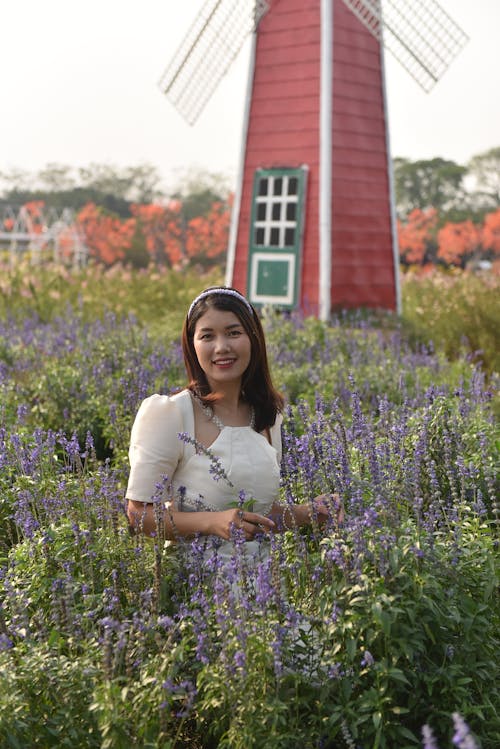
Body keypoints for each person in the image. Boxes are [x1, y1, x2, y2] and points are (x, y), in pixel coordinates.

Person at [126, 286, 339, 562]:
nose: (221, 347)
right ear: (192, 345)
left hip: (262, 591)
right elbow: (138, 515)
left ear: (253, 339)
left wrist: (310, 512)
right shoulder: (170, 413)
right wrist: (211, 523)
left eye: (233, 333)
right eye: (207, 336)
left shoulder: (267, 416)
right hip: (193, 593)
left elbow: (257, 515)